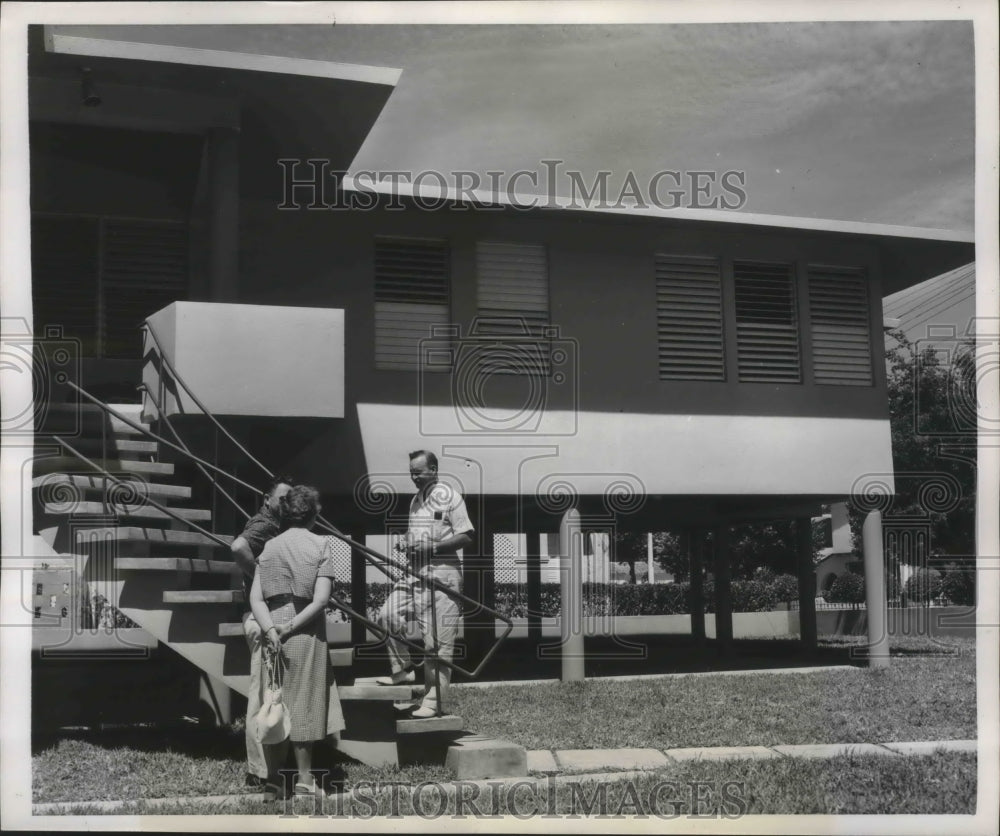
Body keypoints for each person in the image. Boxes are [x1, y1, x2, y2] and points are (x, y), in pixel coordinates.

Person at [249, 484, 345, 796]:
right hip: (304, 630)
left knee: (274, 700)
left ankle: (274, 780)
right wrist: (289, 627)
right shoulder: (321, 544)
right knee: (305, 704)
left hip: (272, 630)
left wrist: (270, 629)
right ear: (313, 513)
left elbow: (257, 599)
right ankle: (305, 780)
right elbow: (320, 601)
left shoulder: (269, 547)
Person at [375, 450, 474, 718]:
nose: (414, 478)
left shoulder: (451, 496)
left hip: (443, 574)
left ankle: (435, 700)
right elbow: (414, 533)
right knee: (387, 614)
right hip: (414, 572)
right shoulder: (416, 501)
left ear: (433, 469)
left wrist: (432, 548)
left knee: (436, 642)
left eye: (418, 472)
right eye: (411, 473)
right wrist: (406, 541)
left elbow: (466, 536)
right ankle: (403, 670)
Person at [231, 476, 294, 788]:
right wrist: (262, 581)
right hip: (261, 618)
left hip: (269, 617)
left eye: (290, 500)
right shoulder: (266, 523)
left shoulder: (277, 526)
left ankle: (271, 765)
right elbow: (238, 547)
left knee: (272, 693)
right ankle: (259, 771)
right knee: (262, 695)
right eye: (281, 498)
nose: (286, 504)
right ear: (267, 498)